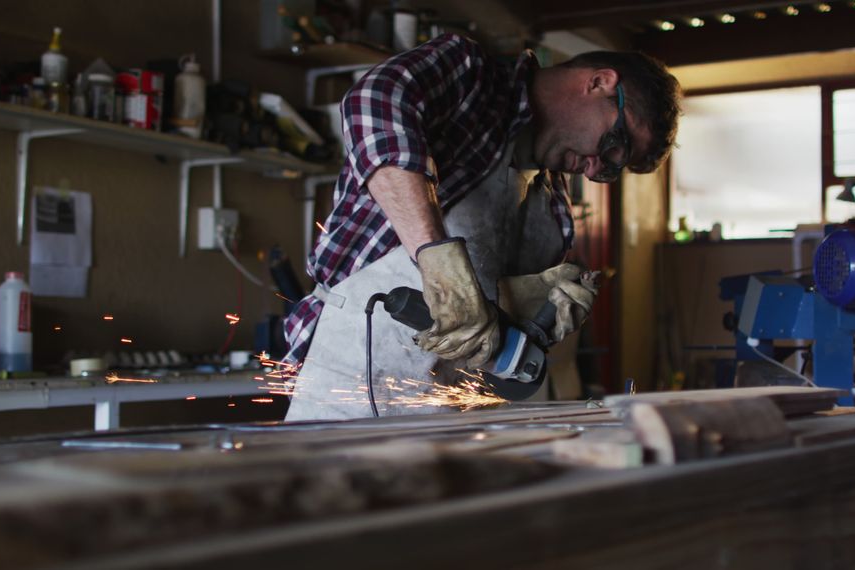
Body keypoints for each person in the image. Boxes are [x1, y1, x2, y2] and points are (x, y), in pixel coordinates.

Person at [282, 33, 681, 420]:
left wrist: (527, 311)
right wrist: (436, 260)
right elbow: (374, 99)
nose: (596, 170)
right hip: (347, 379)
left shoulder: (552, 209)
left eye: (612, 170)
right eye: (613, 146)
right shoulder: (473, 78)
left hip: (452, 409)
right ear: (599, 82)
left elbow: (487, 339)